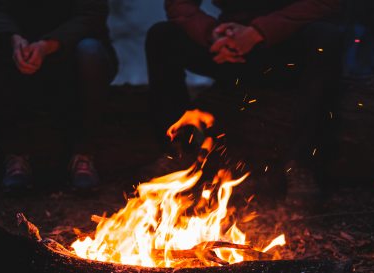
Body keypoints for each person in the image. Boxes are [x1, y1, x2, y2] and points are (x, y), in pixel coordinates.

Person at [146, 0, 343, 204]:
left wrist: (259, 33)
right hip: (226, 48)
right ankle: (180, 151)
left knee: (326, 37)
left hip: (284, 50)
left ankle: (303, 164)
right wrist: (212, 33)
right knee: (162, 36)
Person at [0, 0, 118, 189]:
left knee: (90, 52)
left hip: (73, 50)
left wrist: (48, 45)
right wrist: (13, 38)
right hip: (19, 52)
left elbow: (92, 14)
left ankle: (84, 154)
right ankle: (15, 153)